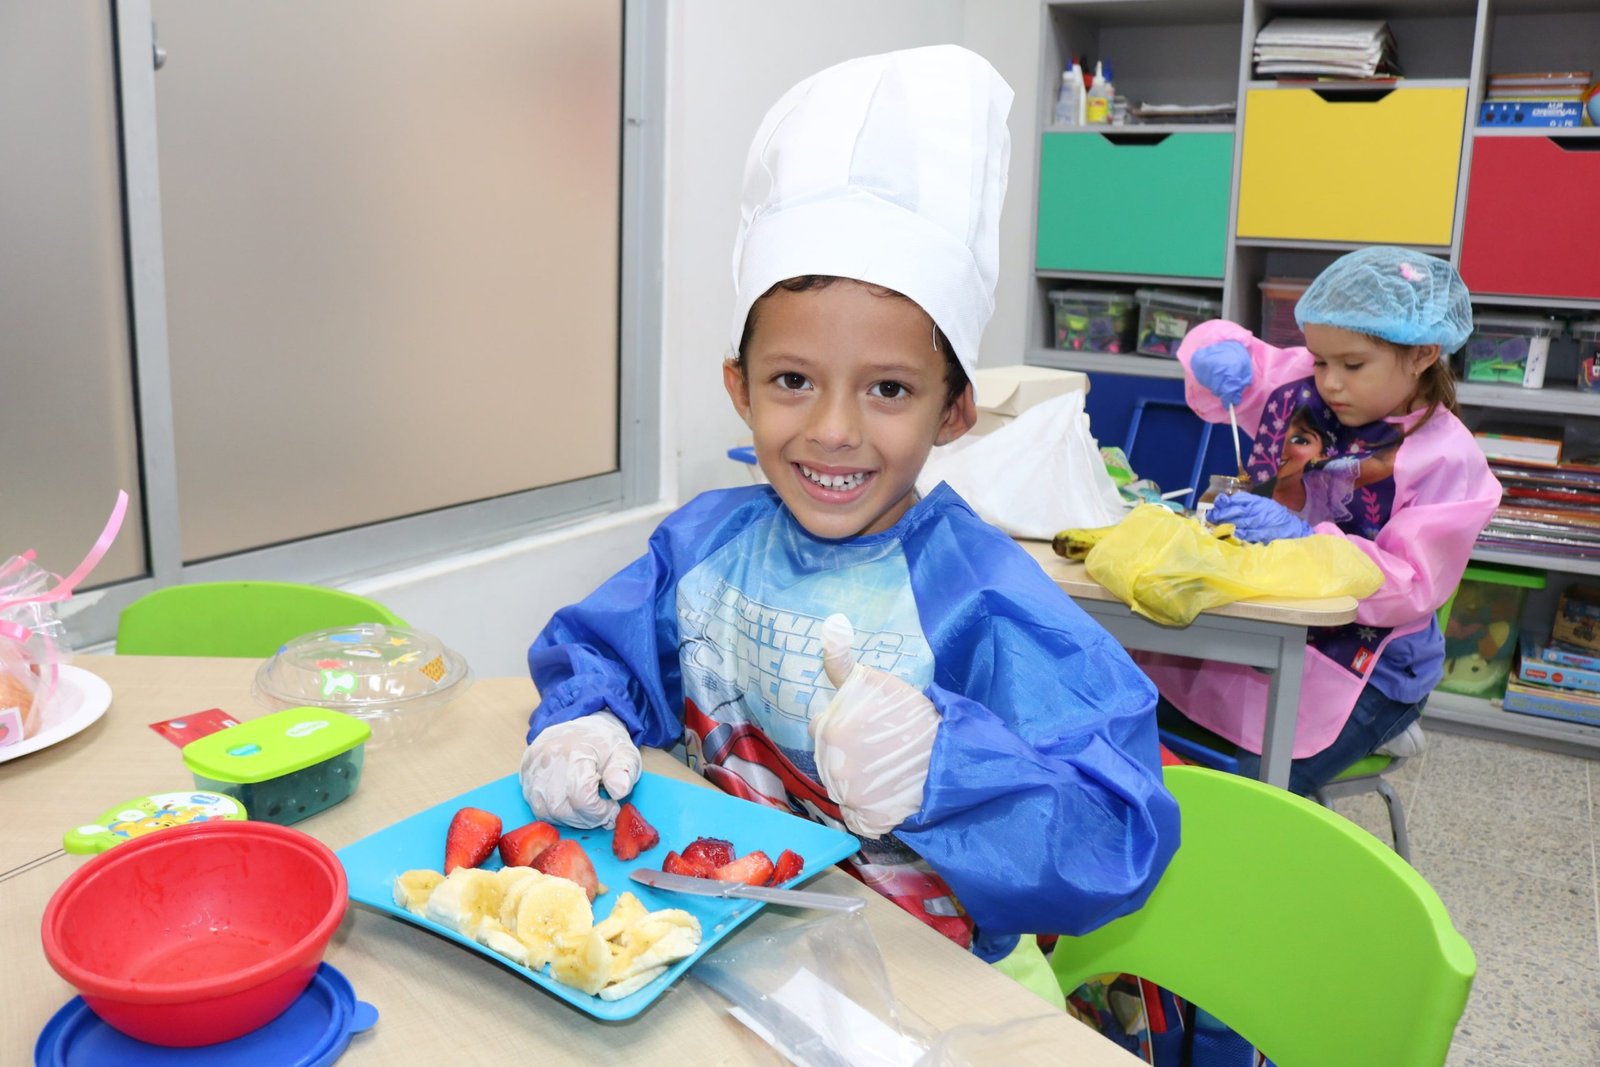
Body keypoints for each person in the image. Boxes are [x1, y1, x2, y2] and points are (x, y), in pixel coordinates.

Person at [515, 45, 1179, 985]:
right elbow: (608, 656)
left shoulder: (986, 599)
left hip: (936, 985)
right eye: (793, 380)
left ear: (955, 411)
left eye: (888, 389)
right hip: (735, 942)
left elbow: (1115, 837)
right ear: (740, 388)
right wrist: (582, 724)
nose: (833, 430)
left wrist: (943, 767)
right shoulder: (704, 546)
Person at [1142, 246, 1502, 794]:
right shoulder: (1305, 387)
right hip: (1269, 629)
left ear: (1423, 354)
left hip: (1369, 665)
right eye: (1319, 361)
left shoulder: (1446, 460)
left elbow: (1409, 584)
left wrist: (1305, 538)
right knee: (1133, 716)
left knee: (1253, 790)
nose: (1330, 382)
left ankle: (1385, 728)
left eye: (1352, 366)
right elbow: (1228, 348)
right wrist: (1217, 356)